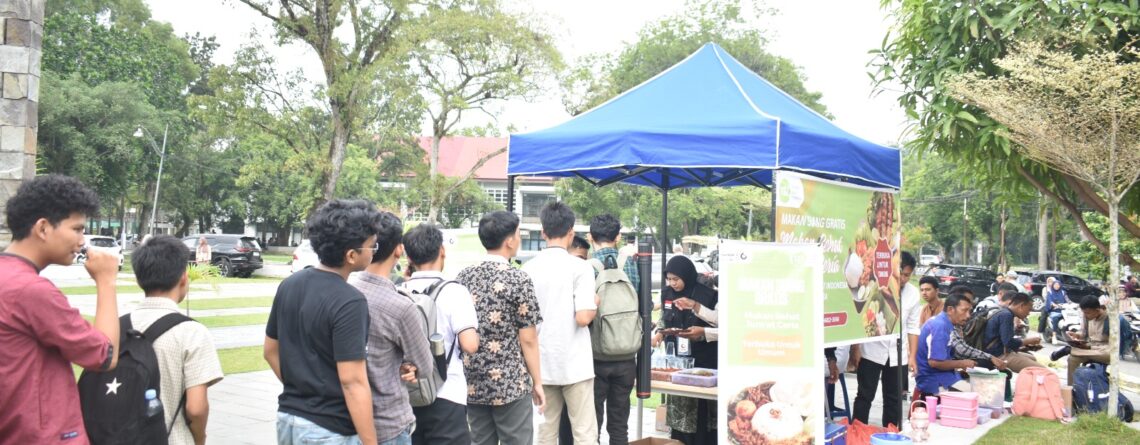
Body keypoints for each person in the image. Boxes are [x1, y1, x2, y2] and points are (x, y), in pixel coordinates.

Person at [0, 175, 121, 443]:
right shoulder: (31, 291)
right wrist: (106, 280)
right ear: (43, 228)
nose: (82, 241)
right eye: (77, 229)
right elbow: (105, 355)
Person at [265, 200, 381, 445]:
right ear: (351, 255)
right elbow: (353, 381)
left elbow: (270, 351)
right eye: (372, 246)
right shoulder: (350, 302)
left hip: (289, 419)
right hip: (329, 430)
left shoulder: (290, 285)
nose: (374, 251)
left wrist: (302, 391)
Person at [455, 211, 545, 445]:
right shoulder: (519, 279)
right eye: (518, 234)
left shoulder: (464, 277)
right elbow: (528, 339)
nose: (519, 238)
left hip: (473, 380)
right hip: (511, 382)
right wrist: (537, 382)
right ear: (509, 241)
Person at [346, 210, 434, 445]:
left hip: (343, 417)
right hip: (387, 422)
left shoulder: (343, 290)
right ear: (399, 249)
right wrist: (407, 365)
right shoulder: (400, 306)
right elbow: (424, 366)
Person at [128, 236, 224, 445]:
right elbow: (196, 408)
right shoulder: (192, 332)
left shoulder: (117, 326)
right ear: (183, 277)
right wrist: (200, 439)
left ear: (138, 279)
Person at [523, 202, 598, 444]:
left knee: (545, 434)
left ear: (543, 232)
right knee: (584, 433)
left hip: (541, 364)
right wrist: (595, 301)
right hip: (575, 363)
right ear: (571, 232)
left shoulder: (527, 269)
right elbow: (583, 317)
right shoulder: (580, 267)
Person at [398, 224, 479, 444]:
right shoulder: (455, 291)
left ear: (408, 255)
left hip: (406, 395)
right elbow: (470, 344)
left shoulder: (398, 292)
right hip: (447, 393)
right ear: (442, 250)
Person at [849, 252, 922, 429]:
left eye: (907, 275)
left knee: (894, 398)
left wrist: (912, 356)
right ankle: (858, 433)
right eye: (901, 273)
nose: (903, 278)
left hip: (898, 353)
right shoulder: (876, 286)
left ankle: (890, 434)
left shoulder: (913, 294)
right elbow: (860, 318)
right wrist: (855, 349)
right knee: (865, 395)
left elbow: (913, 327)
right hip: (871, 351)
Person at [652, 255, 719, 444]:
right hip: (678, 362)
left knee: (702, 410)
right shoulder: (666, 293)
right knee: (681, 408)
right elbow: (665, 317)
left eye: (676, 279)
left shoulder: (708, 295)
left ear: (687, 276)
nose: (673, 283)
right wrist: (660, 333)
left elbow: (721, 322)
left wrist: (697, 310)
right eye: (669, 279)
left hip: (704, 361)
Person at [587, 214, 641, 444]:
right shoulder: (630, 264)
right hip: (627, 356)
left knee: (592, 425)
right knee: (620, 426)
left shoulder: (586, 268)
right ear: (618, 237)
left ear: (590, 237)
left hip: (596, 357)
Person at [1062, 297, 1135, 383]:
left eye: (1088, 313)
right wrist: (1077, 335)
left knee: (1108, 352)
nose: (1085, 315)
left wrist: (1091, 348)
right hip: (1091, 347)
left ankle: (1072, 350)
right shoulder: (1087, 317)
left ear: (1097, 310)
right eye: (1084, 313)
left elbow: (1114, 346)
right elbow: (1083, 333)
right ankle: (1072, 388)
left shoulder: (1112, 320)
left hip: (1106, 350)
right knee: (1072, 359)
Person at [916, 293, 976, 396]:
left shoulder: (944, 322)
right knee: (979, 395)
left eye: (969, 311)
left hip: (942, 375)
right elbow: (935, 362)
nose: (968, 316)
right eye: (964, 310)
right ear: (950, 310)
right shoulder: (940, 326)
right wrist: (962, 363)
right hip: (933, 379)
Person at [982, 293, 1044, 372]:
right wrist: (1029, 341)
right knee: (1043, 371)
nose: (1028, 313)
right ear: (1021, 306)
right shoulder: (1006, 315)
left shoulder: (1003, 312)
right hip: (998, 355)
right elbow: (1008, 342)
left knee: (1032, 358)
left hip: (997, 351)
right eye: (1028, 309)